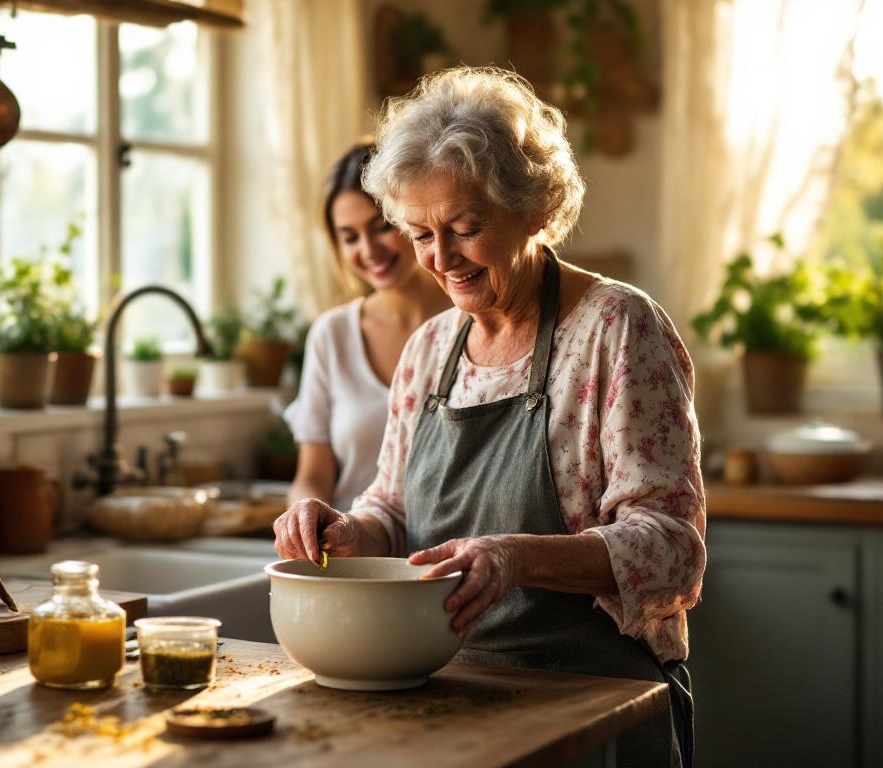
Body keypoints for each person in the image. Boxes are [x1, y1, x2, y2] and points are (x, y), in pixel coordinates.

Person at [272, 68, 704, 768]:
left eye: (466, 228)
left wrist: (519, 557)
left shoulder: (616, 328)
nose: (441, 260)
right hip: (451, 703)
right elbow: (393, 512)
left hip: (591, 705)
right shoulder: (430, 350)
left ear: (533, 209)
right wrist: (348, 532)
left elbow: (672, 552)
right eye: (420, 234)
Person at [284, 140, 451, 512]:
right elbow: (312, 476)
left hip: (452, 555)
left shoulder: (473, 320)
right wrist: (306, 513)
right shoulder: (333, 336)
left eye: (381, 227)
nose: (368, 250)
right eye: (349, 237)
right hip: (352, 553)